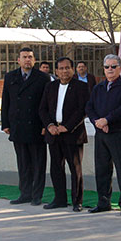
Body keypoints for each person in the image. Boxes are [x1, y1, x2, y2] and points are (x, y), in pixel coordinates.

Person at [85, 54, 121, 216]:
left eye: (113, 66)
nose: (110, 70)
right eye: (107, 67)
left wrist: (107, 120)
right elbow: (89, 107)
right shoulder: (98, 88)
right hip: (101, 134)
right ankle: (103, 202)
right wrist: (97, 122)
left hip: (119, 134)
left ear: (120, 68)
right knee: (102, 170)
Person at [39, 57, 89, 212]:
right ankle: (59, 199)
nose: (64, 71)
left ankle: (76, 201)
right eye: (61, 68)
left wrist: (67, 127)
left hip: (72, 134)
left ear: (72, 70)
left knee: (75, 169)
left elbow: (82, 110)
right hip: (54, 134)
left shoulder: (81, 87)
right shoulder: (50, 87)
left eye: (67, 68)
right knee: (56, 168)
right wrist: (50, 126)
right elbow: (42, 109)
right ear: (56, 71)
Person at [2, 47, 50, 206]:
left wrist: (46, 124)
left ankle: (37, 195)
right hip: (18, 125)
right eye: (24, 57)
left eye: (30, 57)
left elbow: (47, 104)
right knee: (23, 163)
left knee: (38, 163)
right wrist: (5, 123)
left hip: (37, 126)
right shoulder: (10, 77)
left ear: (34, 60)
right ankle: (25, 194)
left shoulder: (43, 78)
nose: (27, 60)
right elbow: (6, 102)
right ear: (18, 60)